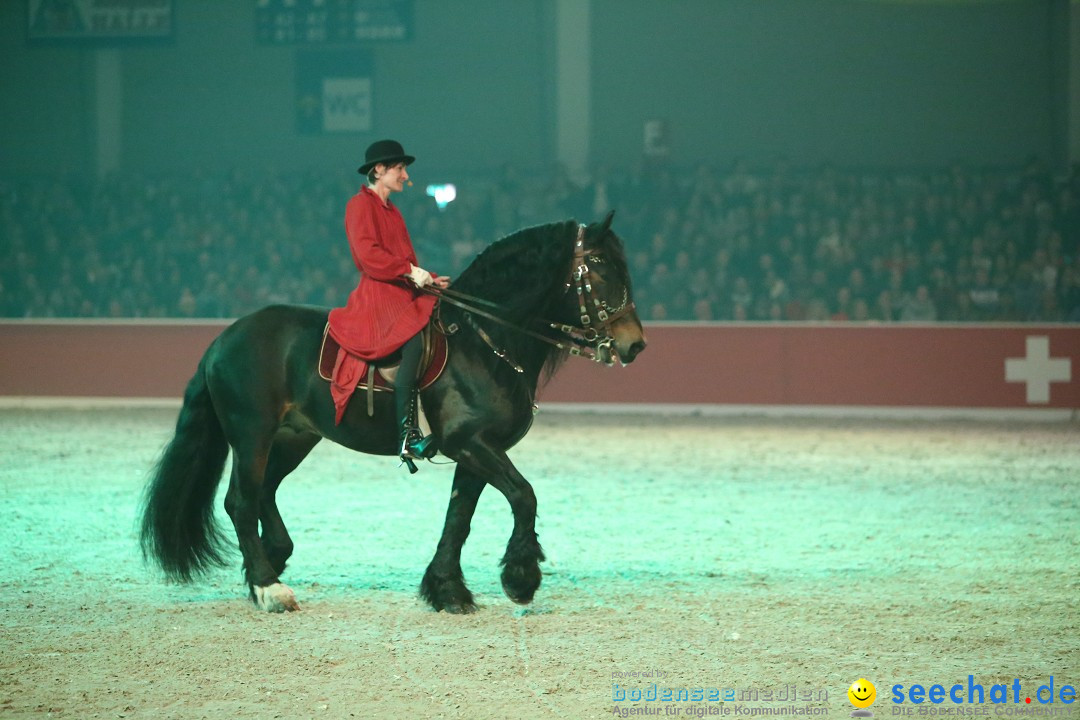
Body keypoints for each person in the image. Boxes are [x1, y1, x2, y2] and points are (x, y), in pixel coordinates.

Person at [326, 139, 450, 469]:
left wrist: (429, 277)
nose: (406, 176)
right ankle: (407, 433)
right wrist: (411, 271)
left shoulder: (393, 211)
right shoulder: (359, 206)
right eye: (400, 169)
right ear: (378, 170)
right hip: (378, 295)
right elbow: (369, 257)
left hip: (399, 289)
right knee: (413, 342)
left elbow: (406, 260)